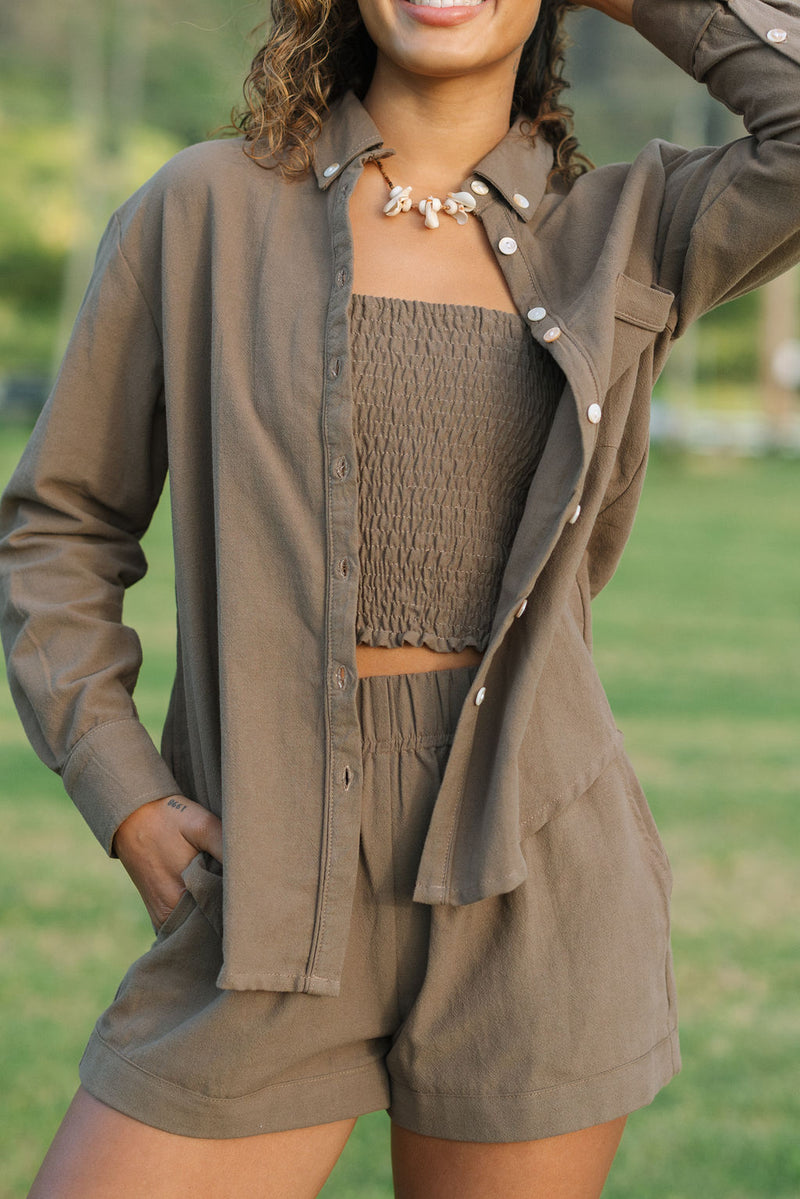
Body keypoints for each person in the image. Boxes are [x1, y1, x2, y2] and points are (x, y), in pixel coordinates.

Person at [1, 0, 798, 1193]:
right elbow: (59, 530)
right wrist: (124, 794)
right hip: (264, 876)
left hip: (535, 873)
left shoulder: (623, 231)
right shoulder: (203, 207)